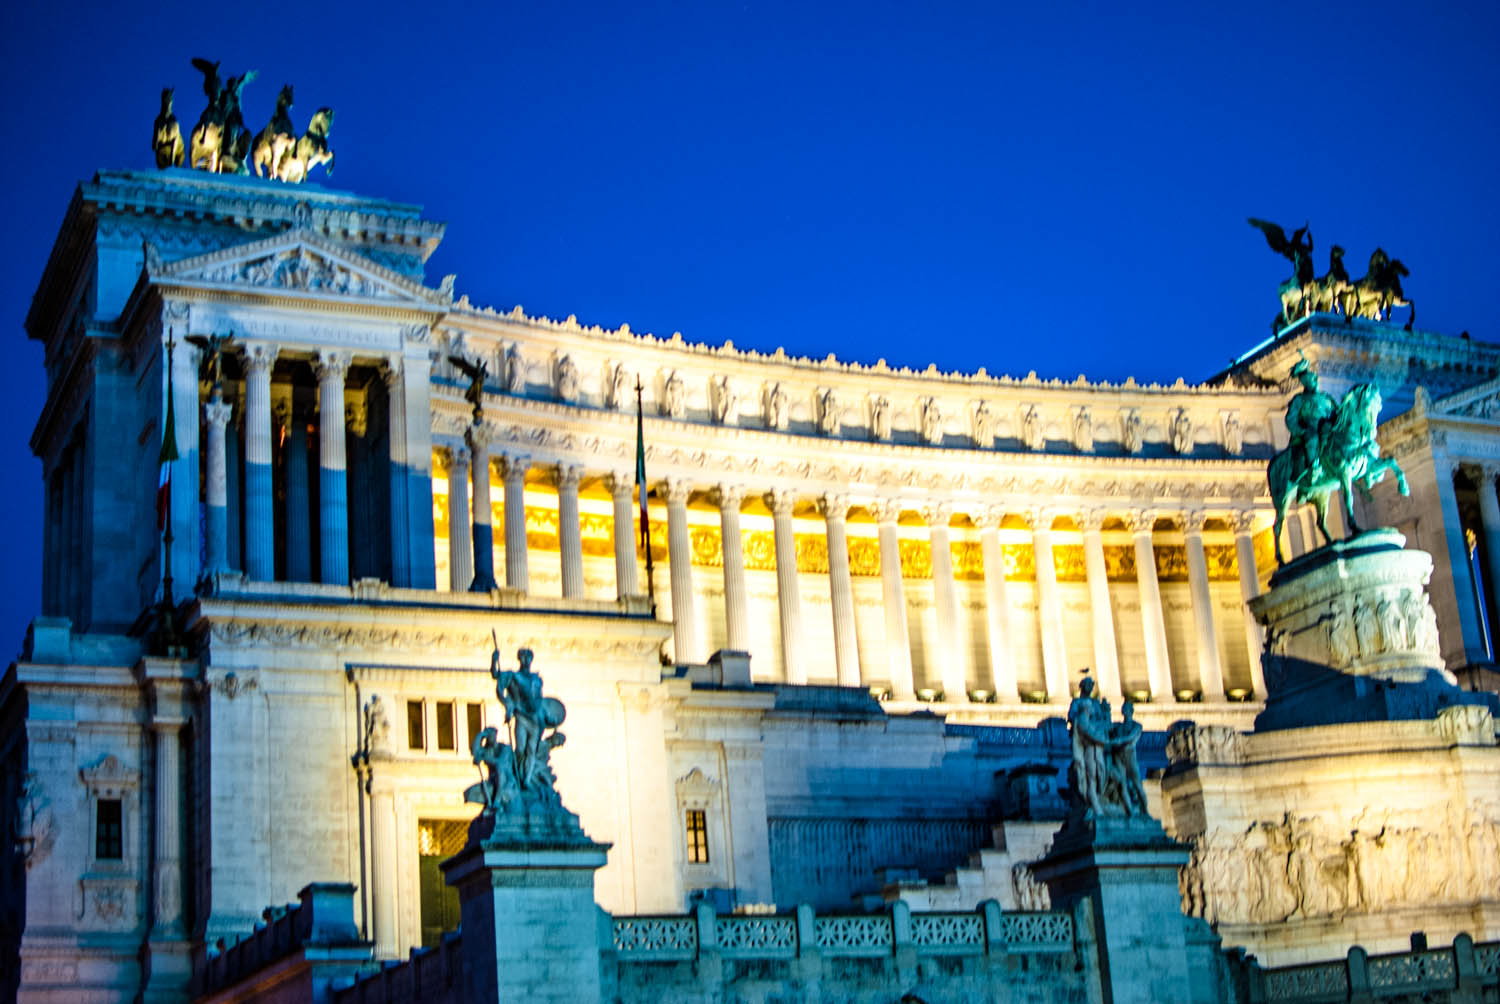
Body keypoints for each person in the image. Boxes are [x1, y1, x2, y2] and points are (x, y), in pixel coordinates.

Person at [1285, 356, 1336, 484]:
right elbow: (1291, 419)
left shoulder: (1326, 398)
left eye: (1315, 379)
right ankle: (1314, 467)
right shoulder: (1299, 399)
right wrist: (1300, 430)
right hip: (1309, 429)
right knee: (1312, 438)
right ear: (1305, 384)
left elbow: (1336, 414)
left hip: (1326, 428)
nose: (1315, 382)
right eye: (1312, 381)